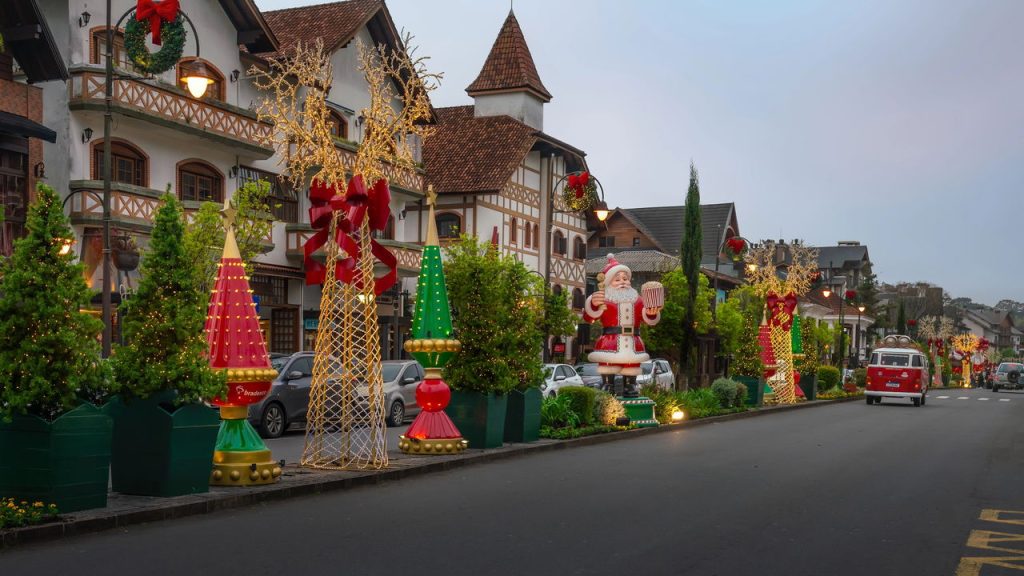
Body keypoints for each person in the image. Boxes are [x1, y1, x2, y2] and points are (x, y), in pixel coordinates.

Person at [583, 254, 662, 397]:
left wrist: (651, 313)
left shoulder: (638, 300)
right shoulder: (603, 299)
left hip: (633, 339)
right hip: (610, 340)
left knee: (632, 363)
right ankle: (608, 384)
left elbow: (648, 318)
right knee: (608, 363)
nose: (622, 282)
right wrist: (593, 305)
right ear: (608, 282)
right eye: (617, 279)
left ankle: (630, 385)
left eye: (625, 279)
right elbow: (589, 317)